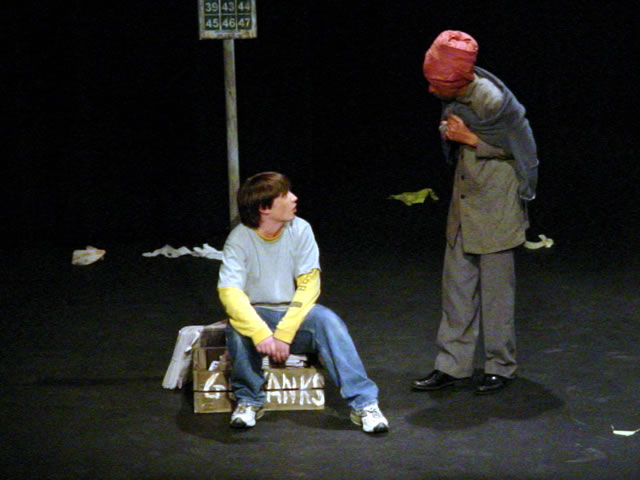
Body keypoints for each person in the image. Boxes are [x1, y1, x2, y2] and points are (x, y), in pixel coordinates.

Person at [412, 31, 539, 395]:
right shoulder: (458, 96)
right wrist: (450, 132)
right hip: (465, 200)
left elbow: (521, 151)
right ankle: (452, 365)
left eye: (436, 84)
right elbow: (453, 127)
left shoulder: (492, 101)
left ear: (456, 80)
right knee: (456, 289)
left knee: (497, 293)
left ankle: (501, 365)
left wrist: (469, 139)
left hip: (496, 203)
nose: (431, 90)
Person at [217, 171, 389, 433]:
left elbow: (309, 285)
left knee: (327, 320)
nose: (294, 198)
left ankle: (365, 404)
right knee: (238, 327)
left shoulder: (300, 229)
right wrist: (261, 334)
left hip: (293, 315)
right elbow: (230, 293)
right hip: (259, 314)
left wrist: (284, 334)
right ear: (264, 208)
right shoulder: (239, 238)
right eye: (285, 195)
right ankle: (249, 400)